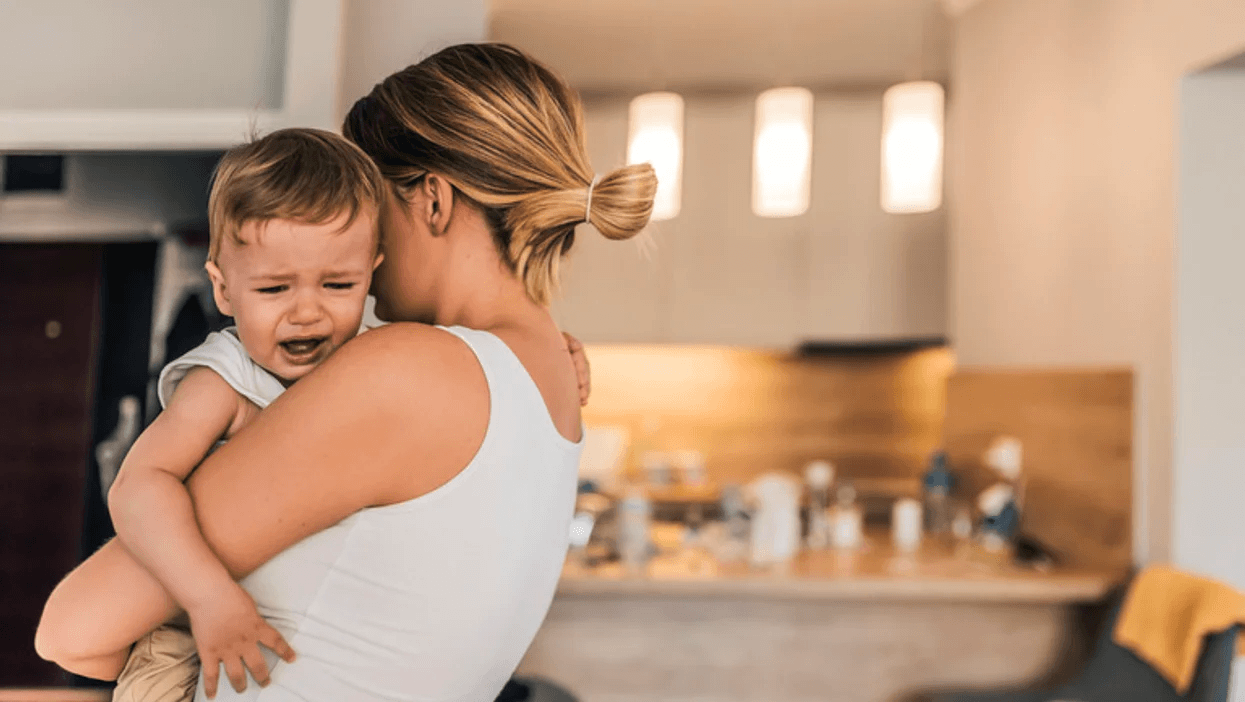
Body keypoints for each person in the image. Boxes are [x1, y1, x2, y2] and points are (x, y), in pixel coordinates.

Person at [35, 42, 655, 702]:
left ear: (433, 202)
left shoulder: (408, 373)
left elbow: (73, 629)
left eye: (370, 205)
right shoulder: (550, 380)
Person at [102, 127, 592, 702]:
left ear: (372, 274)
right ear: (224, 290)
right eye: (274, 288)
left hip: (273, 622)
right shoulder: (223, 379)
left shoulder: (371, 348)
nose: (307, 312)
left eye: (338, 284)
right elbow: (137, 488)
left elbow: (463, 367)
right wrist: (208, 597)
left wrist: (554, 352)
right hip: (185, 631)